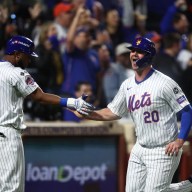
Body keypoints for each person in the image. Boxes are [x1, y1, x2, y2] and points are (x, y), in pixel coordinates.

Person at [74, 37, 192, 192]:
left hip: (163, 149)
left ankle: (187, 187)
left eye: (140, 52)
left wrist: (179, 140)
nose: (134, 54)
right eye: (133, 51)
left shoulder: (165, 83)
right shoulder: (127, 85)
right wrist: (88, 114)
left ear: (149, 55)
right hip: (140, 147)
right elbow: (112, 112)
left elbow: (187, 110)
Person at [0, 35, 94, 192]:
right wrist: (71, 102)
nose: (29, 61)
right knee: (11, 188)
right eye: (27, 56)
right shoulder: (15, 73)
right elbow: (39, 96)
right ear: (17, 54)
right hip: (6, 134)